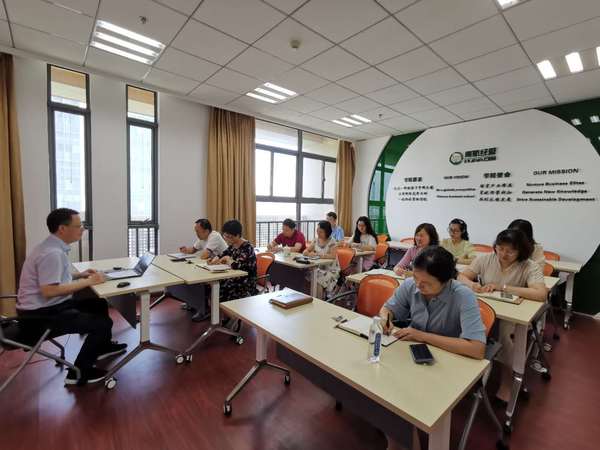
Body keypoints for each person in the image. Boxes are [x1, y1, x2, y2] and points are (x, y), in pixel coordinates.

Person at [379, 246, 486, 450]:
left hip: (449, 364)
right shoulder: (411, 285)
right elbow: (387, 308)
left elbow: (477, 348)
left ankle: (402, 439)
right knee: (384, 384)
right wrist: (386, 319)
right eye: (416, 277)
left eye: (427, 283)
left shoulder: (463, 296)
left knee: (401, 393)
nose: (419, 285)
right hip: (414, 356)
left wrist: (422, 336)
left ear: (446, 281)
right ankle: (400, 438)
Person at [16, 208, 127, 385]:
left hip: (43, 308)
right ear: (62, 229)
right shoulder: (52, 254)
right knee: (102, 323)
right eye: (78, 226)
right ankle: (79, 373)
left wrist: (80, 275)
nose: (82, 229)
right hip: (40, 317)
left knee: (97, 304)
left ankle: (102, 347)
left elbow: (55, 277)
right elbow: (49, 291)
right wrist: (90, 281)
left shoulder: (50, 247)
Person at [458, 229, 547, 403]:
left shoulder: (529, 266)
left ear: (521, 251)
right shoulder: (486, 259)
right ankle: (467, 370)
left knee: (504, 332)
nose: (503, 254)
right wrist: (472, 285)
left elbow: (540, 294)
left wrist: (503, 287)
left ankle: (507, 381)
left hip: (512, 316)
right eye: (500, 249)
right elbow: (461, 276)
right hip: (486, 309)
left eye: (510, 251)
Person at [209, 219, 258, 302]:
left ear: (238, 235)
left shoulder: (247, 247)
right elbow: (222, 255)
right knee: (208, 286)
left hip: (244, 283)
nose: (227, 239)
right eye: (225, 236)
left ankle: (218, 309)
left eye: (229, 237)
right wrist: (213, 260)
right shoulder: (232, 245)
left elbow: (237, 266)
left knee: (219, 287)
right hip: (233, 277)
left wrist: (228, 259)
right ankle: (207, 307)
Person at [303, 221, 340, 298]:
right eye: (317, 231)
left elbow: (332, 256)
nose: (318, 233)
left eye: (321, 232)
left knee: (318, 280)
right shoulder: (316, 240)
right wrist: (308, 253)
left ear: (327, 232)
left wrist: (318, 255)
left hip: (331, 269)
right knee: (305, 275)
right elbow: (305, 251)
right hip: (318, 268)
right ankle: (309, 298)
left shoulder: (332, 241)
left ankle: (319, 300)